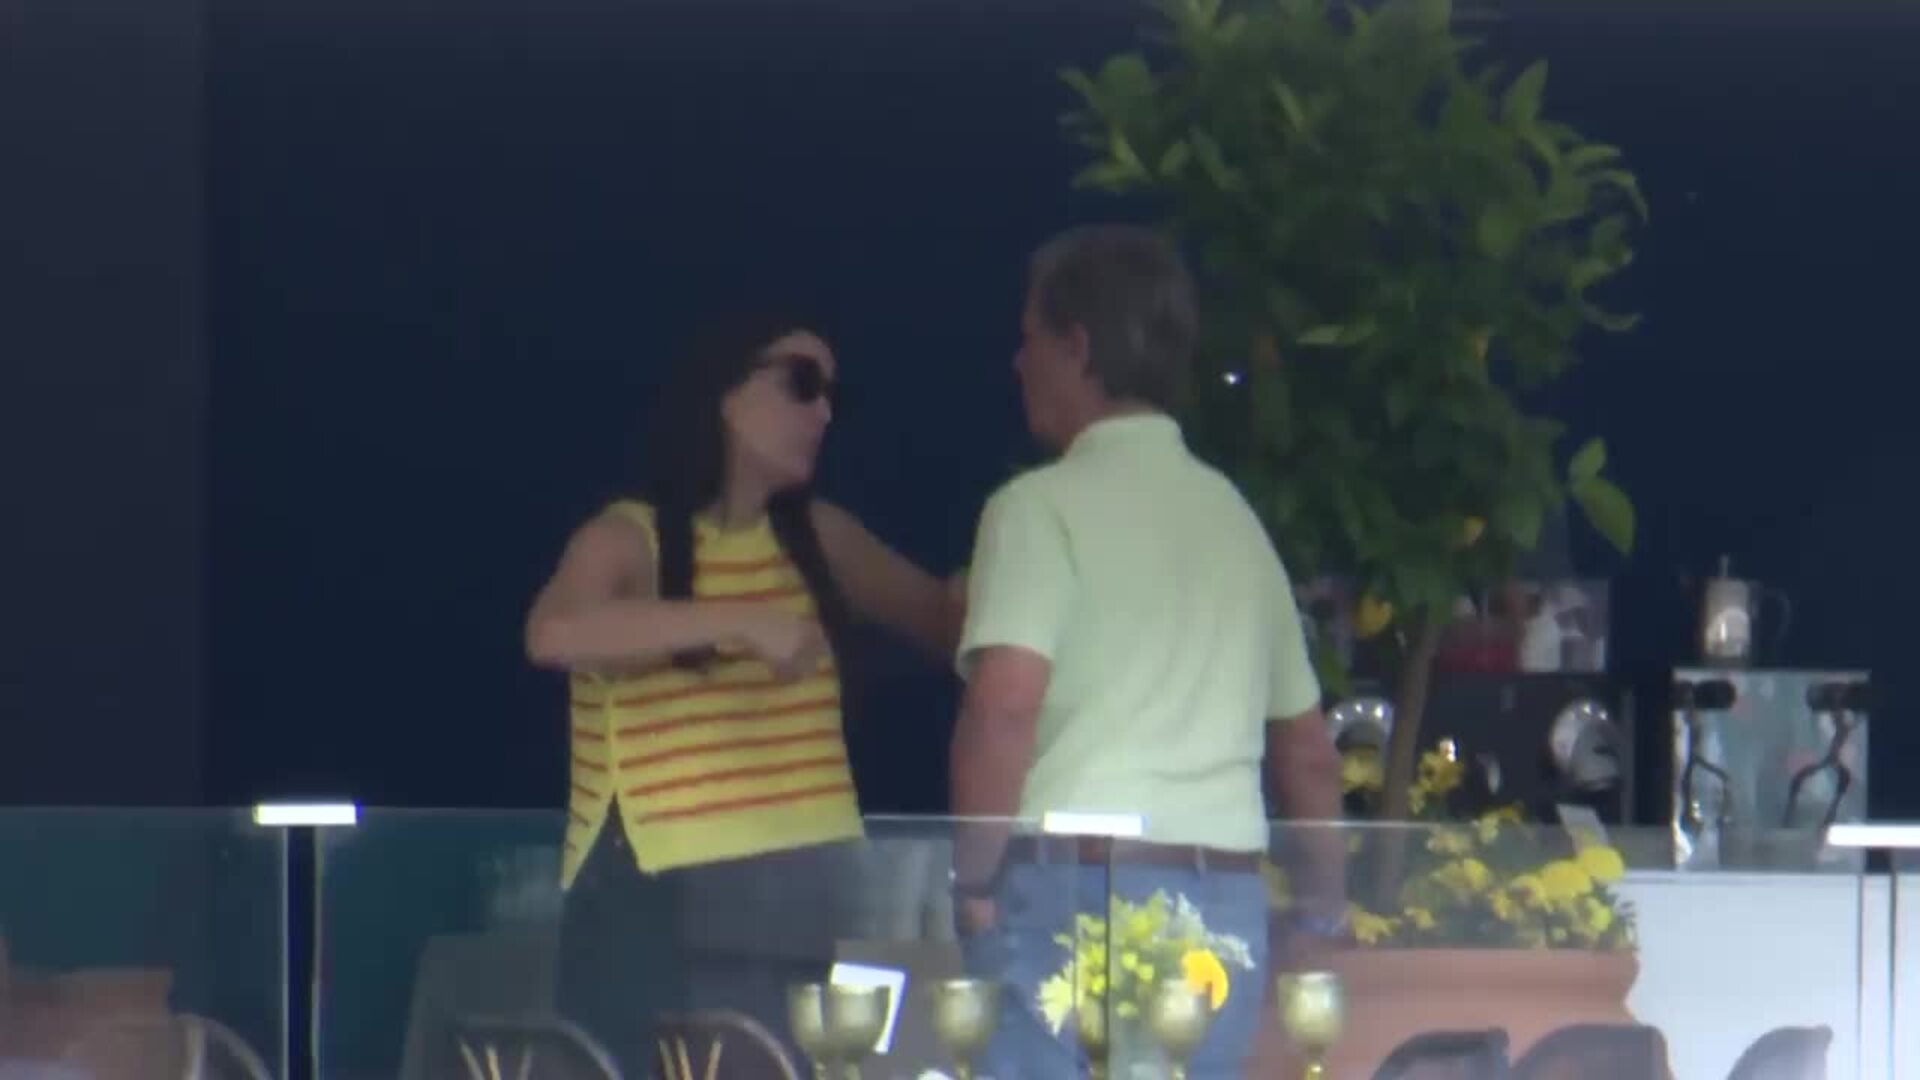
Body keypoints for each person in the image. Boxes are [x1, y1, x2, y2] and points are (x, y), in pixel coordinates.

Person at [947, 225, 1348, 1079]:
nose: (1017, 363)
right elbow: (1309, 754)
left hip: (1074, 894)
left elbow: (1004, 706)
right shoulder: (1235, 520)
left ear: (1076, 347)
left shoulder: (1036, 508)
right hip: (1224, 906)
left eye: (1028, 338)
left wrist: (973, 884)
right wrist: (1321, 914)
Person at [523, 310, 961, 1073]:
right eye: (801, 384)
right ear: (724, 396)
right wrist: (742, 621)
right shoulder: (629, 537)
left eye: (833, 396)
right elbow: (553, 634)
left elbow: (950, 626)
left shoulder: (821, 538)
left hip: (810, 902)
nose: (822, 413)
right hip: (660, 911)